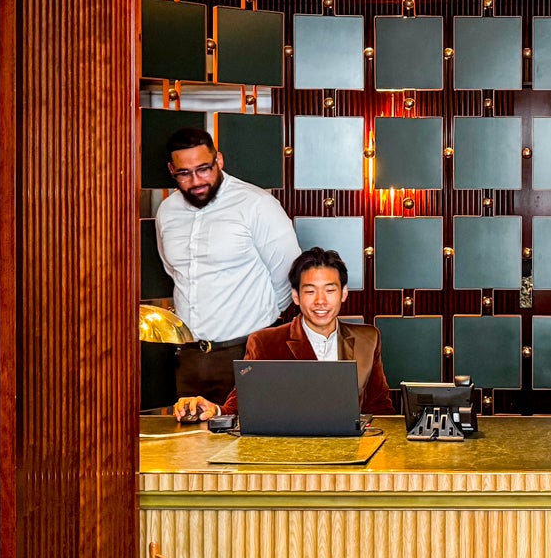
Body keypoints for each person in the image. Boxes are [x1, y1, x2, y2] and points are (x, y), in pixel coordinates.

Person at [156, 127, 302, 401]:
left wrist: (259, 330)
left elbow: (288, 276)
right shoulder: (167, 211)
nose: (196, 181)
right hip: (188, 357)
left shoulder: (257, 204)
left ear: (219, 160)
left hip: (247, 353)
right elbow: (174, 271)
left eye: (204, 169)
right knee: (192, 430)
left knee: (249, 429)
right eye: (184, 173)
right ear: (171, 170)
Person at [172, 247, 393, 421]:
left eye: (330, 290)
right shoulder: (265, 342)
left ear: (343, 293)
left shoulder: (368, 339)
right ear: (296, 296)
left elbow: (381, 411)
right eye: (310, 291)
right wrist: (214, 410)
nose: (321, 301)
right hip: (287, 454)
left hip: (351, 452)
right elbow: (239, 407)